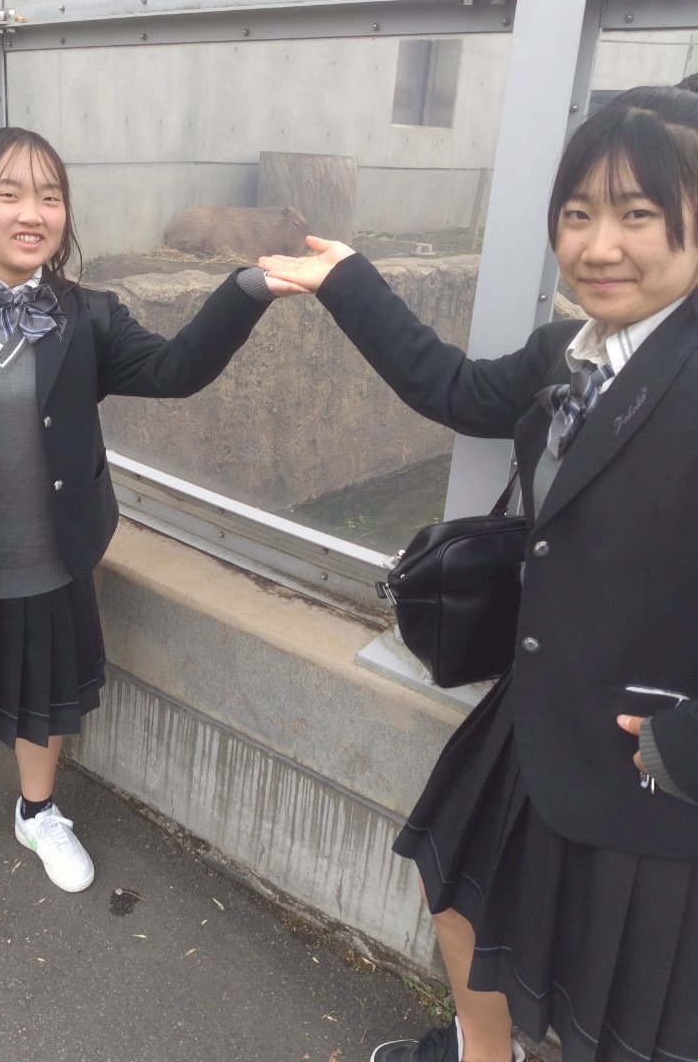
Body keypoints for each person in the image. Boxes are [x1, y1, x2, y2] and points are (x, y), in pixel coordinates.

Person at [260, 86, 698, 1062]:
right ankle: (480, 1052)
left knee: (627, 1008)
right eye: (577, 213)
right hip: (538, 706)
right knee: (453, 886)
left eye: (638, 214)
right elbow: (453, 388)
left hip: (652, 758)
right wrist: (348, 281)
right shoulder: (572, 354)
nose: (599, 244)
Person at [0, 126, 280, 901]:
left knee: (43, 694)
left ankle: (37, 813)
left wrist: (249, 289)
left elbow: (176, 369)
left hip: (52, 552)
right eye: (8, 194)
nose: (31, 213)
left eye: (49, 195)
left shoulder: (88, 316)